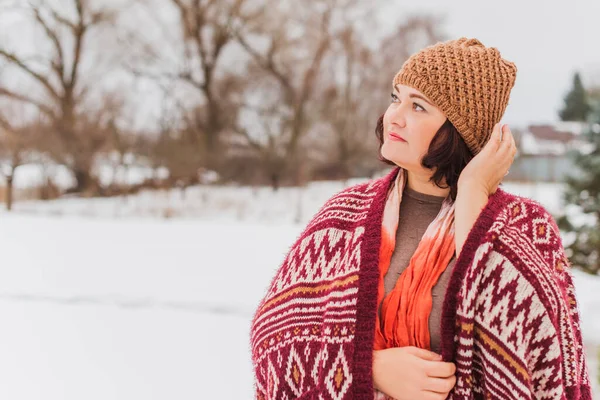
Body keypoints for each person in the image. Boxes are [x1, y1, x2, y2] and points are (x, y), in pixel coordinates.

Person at [249, 37, 592, 400]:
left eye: (418, 107)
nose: (394, 115)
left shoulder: (524, 227)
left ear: (459, 131)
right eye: (397, 98)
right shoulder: (343, 216)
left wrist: (473, 193)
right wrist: (368, 368)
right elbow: (273, 335)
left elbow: (538, 364)